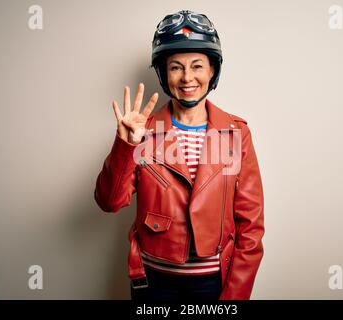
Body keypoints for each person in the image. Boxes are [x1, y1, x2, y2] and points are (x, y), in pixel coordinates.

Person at [94, 10, 264, 301]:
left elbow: (251, 227)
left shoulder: (237, 133)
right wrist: (125, 145)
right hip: (153, 283)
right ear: (163, 73)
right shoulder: (143, 131)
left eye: (197, 66)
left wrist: (233, 298)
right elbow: (109, 202)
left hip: (214, 283)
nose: (187, 77)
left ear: (212, 71)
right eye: (176, 67)